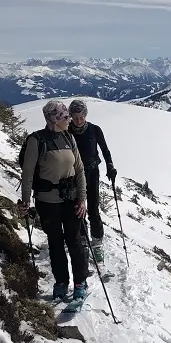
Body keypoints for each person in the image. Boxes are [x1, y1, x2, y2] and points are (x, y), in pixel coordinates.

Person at [19, 101, 89, 302]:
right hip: (47, 201)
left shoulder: (69, 137)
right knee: (55, 242)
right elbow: (28, 174)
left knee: (75, 241)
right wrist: (25, 202)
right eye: (65, 117)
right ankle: (61, 282)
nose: (69, 120)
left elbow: (80, 170)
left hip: (71, 200)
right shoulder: (36, 140)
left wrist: (82, 198)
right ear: (54, 119)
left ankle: (80, 282)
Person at [68, 99, 116, 263]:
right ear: (71, 117)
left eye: (81, 117)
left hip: (92, 172)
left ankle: (97, 243)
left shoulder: (95, 130)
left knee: (94, 208)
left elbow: (104, 149)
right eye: (75, 118)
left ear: (85, 115)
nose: (78, 121)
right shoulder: (67, 132)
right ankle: (83, 241)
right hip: (74, 175)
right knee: (78, 208)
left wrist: (110, 165)